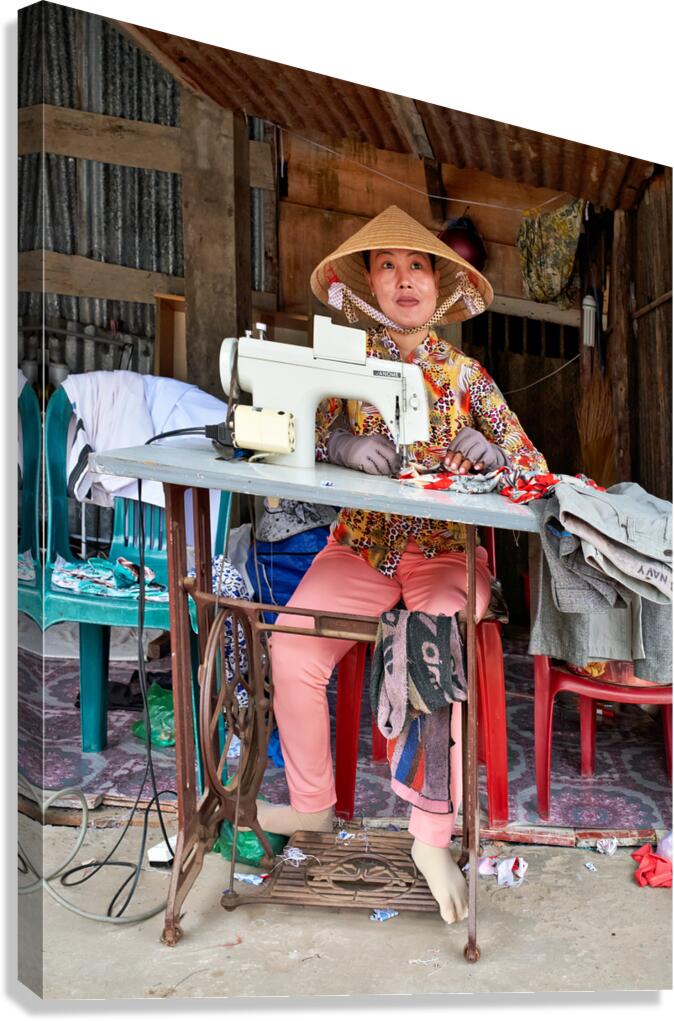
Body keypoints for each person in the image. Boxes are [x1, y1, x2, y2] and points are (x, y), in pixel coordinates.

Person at [255, 205, 548, 923]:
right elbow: (291, 434)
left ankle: (429, 837)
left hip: (445, 552)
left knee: (434, 638)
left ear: (441, 284)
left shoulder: (467, 377)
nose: (404, 278)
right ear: (369, 284)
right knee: (291, 644)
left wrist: (493, 452)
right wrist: (341, 445)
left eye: (417, 266)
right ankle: (313, 807)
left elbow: (533, 466)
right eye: (387, 266)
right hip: (362, 546)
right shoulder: (347, 369)